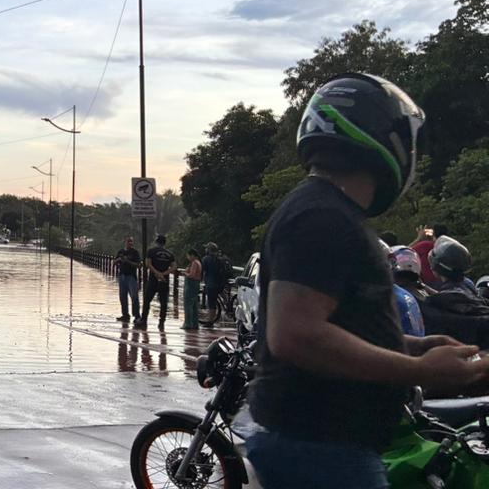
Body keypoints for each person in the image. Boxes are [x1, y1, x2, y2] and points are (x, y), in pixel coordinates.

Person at [242, 72, 489, 489]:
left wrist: (414, 344)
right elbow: (297, 335)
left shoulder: (325, 212)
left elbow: (337, 327)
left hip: (326, 445)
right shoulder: (322, 218)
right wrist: (419, 369)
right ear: (384, 139)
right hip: (323, 450)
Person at [135, 235, 175, 330]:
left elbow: (148, 264)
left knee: (147, 300)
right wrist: (163, 274)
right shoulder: (170, 254)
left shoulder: (151, 251)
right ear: (165, 243)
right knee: (163, 302)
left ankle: (144, 320)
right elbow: (174, 267)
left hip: (153, 279)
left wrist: (156, 273)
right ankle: (162, 322)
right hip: (164, 280)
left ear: (157, 242)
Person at [115, 237, 142, 322]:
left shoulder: (135, 252)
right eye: (128, 241)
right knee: (122, 296)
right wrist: (119, 260)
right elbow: (114, 262)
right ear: (125, 242)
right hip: (122, 276)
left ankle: (137, 315)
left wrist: (127, 261)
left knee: (134, 296)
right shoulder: (120, 252)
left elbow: (138, 265)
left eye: (131, 242)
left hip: (131, 277)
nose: (130, 243)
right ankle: (125, 314)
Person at [200, 242, 227, 326]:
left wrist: (200, 279)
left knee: (211, 303)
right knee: (220, 294)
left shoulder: (206, 259)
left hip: (211, 284)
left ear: (208, 250)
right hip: (221, 283)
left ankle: (210, 321)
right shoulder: (221, 258)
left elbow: (202, 270)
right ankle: (227, 304)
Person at [182, 247, 203, 331]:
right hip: (196, 284)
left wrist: (185, 273)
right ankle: (194, 323)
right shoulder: (198, 262)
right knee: (194, 305)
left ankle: (188, 323)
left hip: (191, 284)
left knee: (188, 304)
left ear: (192, 255)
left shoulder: (194, 263)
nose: (188, 258)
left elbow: (192, 275)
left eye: (188, 256)